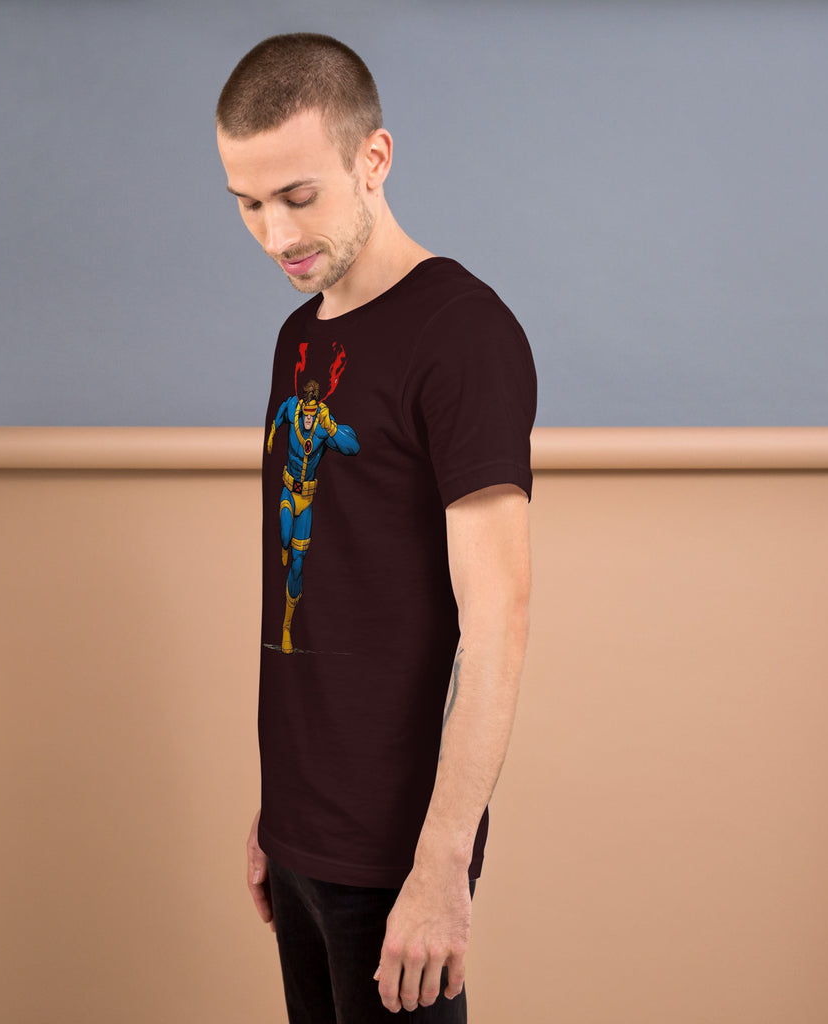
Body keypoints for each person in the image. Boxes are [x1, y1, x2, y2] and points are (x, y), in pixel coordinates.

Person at [215, 33, 536, 1022]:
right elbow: (320, 589)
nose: (275, 234)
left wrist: (443, 863)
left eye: (297, 196)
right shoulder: (297, 335)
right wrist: (280, 809)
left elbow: (498, 618)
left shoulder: (461, 332)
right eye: (248, 204)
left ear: (373, 158)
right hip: (301, 837)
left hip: (398, 857)